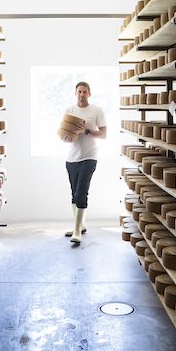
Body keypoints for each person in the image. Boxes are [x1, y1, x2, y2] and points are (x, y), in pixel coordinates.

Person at [62, 80, 106, 246]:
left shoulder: (96, 110)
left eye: (84, 92)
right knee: (74, 194)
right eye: (79, 91)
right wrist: (66, 136)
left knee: (81, 193)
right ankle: (80, 224)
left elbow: (103, 134)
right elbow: (65, 135)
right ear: (75, 93)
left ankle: (77, 231)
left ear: (89, 93)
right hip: (71, 158)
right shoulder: (69, 110)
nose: (82, 94)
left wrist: (87, 131)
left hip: (89, 156)